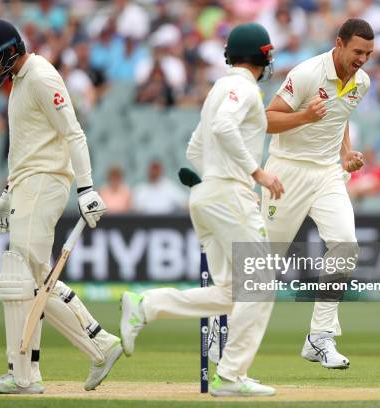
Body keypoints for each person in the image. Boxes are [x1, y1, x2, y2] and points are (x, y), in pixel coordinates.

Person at [120, 23, 284, 397]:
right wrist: (256, 171)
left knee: (230, 292)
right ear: (262, 55)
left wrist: (209, 179)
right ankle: (231, 376)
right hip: (230, 195)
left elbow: (196, 146)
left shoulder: (219, 88)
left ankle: (146, 305)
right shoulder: (244, 88)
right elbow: (225, 127)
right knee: (259, 284)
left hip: (207, 194)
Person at [0, 19, 121, 395]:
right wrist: (6, 192)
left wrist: (86, 188)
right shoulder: (20, 82)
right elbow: (24, 148)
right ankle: (58, 360)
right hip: (28, 184)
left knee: (23, 278)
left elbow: (74, 132)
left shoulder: (40, 77)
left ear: (9, 52)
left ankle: (39, 369)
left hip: (45, 183)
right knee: (29, 279)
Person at [263, 18, 374, 370]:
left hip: (327, 173)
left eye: (369, 53)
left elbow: (338, 119)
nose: (362, 60)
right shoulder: (308, 73)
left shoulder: (362, 82)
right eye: (357, 51)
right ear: (339, 43)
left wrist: (346, 154)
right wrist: (304, 117)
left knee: (345, 244)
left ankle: (320, 337)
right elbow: (267, 119)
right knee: (263, 266)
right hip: (287, 170)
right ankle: (228, 334)